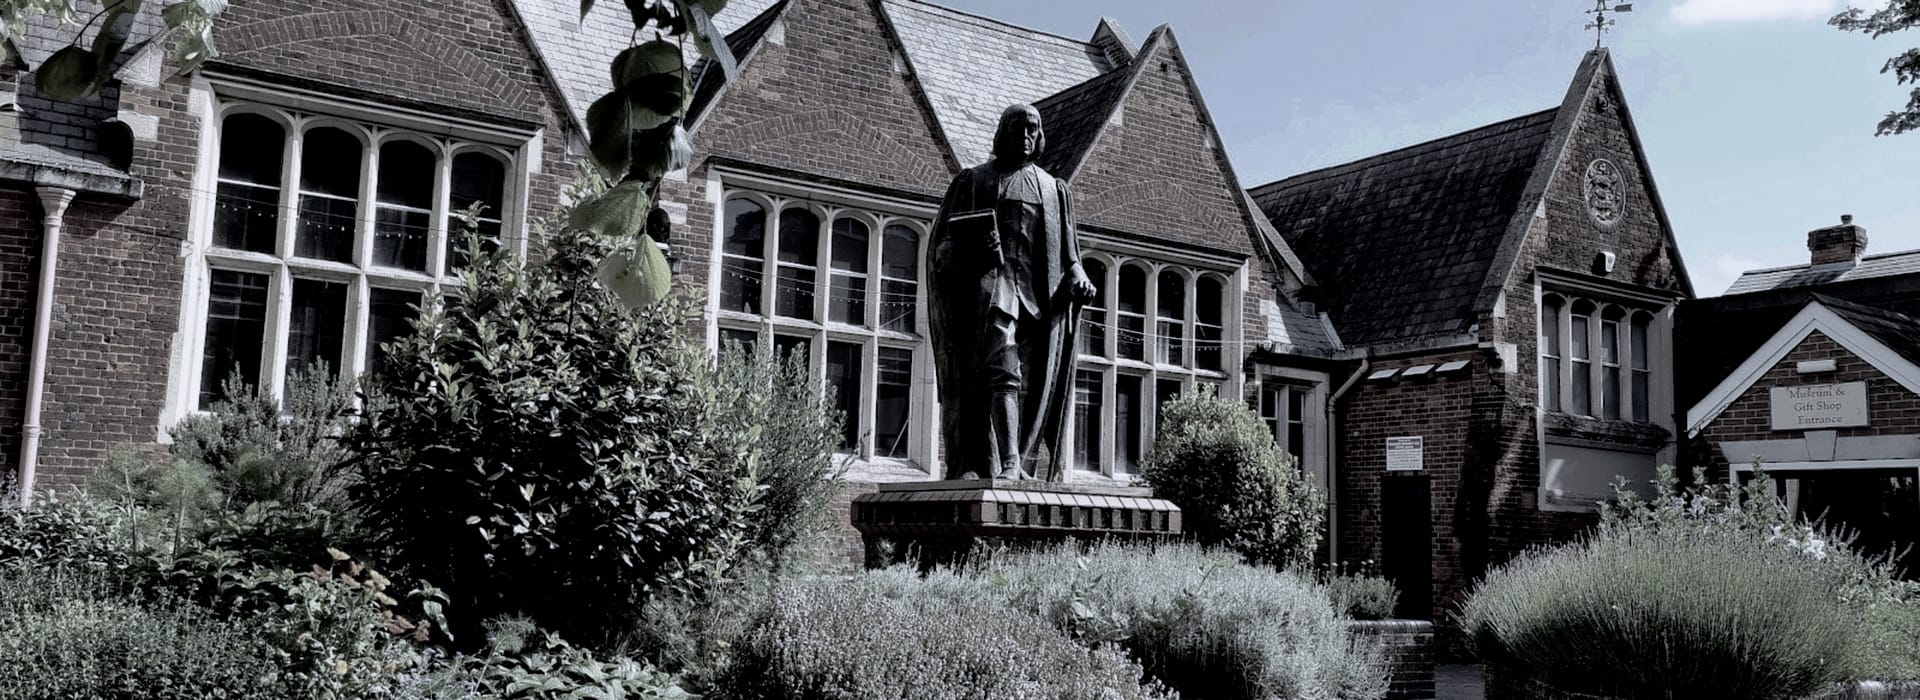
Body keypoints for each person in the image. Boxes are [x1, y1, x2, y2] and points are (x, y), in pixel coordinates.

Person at [927, 104, 1097, 480]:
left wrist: (1079, 277)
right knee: (1004, 373)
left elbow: (1070, 257)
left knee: (1031, 386)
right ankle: (1006, 463)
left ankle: (1021, 459)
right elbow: (943, 252)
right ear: (1003, 133)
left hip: (1039, 305)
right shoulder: (974, 182)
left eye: (1031, 129)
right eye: (1017, 128)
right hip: (994, 295)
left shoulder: (1054, 191)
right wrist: (973, 250)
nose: (1024, 136)